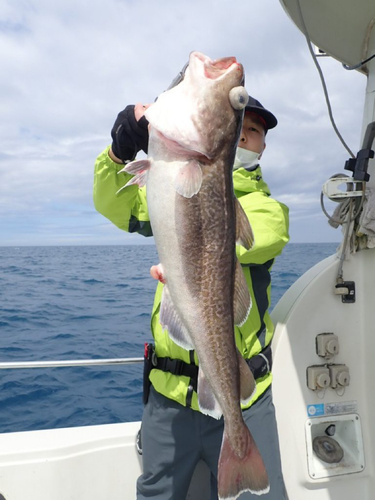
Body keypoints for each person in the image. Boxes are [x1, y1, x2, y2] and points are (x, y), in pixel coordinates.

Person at [93, 73, 290, 499]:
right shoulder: (167, 183)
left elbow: (248, 239)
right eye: (242, 126)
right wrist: (119, 149)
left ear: (261, 146)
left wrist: (192, 246)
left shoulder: (267, 208)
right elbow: (114, 203)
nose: (244, 137)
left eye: (253, 130)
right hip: (168, 397)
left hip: (245, 397)